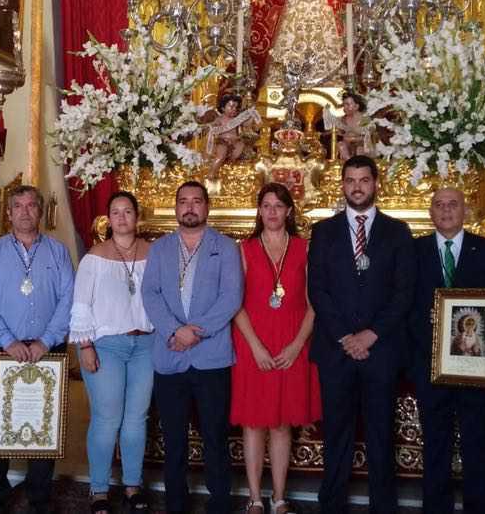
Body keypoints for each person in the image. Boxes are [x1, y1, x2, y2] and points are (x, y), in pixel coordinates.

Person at [308, 155, 415, 514]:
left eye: (364, 180)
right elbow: (318, 290)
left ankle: (384, 506)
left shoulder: (397, 232)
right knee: (336, 434)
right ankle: (331, 505)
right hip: (336, 351)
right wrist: (345, 336)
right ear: (342, 185)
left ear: (375, 184)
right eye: (351, 180)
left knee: (380, 434)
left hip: (380, 351)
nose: (357, 187)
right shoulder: (323, 231)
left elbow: (404, 292)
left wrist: (371, 334)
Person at [141, 181, 243, 514]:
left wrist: (196, 333)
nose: (189, 207)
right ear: (176, 207)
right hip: (170, 356)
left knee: (215, 436)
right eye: (183, 201)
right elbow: (150, 294)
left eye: (196, 201)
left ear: (206, 207)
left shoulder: (225, 247)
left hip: (211, 359)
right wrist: (175, 330)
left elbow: (231, 297)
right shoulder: (160, 248)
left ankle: (220, 503)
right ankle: (176, 502)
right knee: (174, 439)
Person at [0, 185, 74, 514]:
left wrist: (47, 340)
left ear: (40, 211)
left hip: (48, 352)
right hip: (3, 352)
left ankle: (39, 498)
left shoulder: (58, 252)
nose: (25, 211)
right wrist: (8, 341)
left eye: (32, 205)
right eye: (18, 205)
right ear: (9, 212)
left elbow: (68, 299)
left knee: (44, 426)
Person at [408, 187, 485, 514]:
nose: (446, 210)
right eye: (439, 205)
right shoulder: (414, 250)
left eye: (453, 204)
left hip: (475, 364)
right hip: (428, 362)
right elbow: (403, 300)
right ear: (430, 212)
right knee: (436, 441)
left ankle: (478, 507)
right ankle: (436, 507)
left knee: (478, 440)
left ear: (466, 210)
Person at [231, 183, 321, 514]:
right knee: (254, 423)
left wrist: (297, 345)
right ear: (259, 210)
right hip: (252, 342)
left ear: (289, 211)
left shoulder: (304, 248)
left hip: (292, 342)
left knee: (282, 424)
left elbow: (314, 303)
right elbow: (235, 303)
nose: (272, 211)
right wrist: (255, 347)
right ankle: (255, 498)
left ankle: (279, 497)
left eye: (278, 206)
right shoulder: (243, 249)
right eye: (266, 205)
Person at [69, 191, 155, 513]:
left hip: (146, 344)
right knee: (107, 419)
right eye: (115, 212)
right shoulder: (95, 257)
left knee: (136, 418)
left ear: (137, 216)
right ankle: (99, 489)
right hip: (106, 345)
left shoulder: (153, 253)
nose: (122, 217)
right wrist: (85, 345)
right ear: (109, 218)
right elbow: (81, 305)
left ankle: (133, 485)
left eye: (127, 211)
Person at [206, 93, 261, 183]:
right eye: (231, 107)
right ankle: (211, 173)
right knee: (221, 156)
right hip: (223, 141)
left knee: (242, 150)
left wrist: (251, 115)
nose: (234, 109)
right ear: (223, 108)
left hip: (236, 141)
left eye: (236, 107)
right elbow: (212, 126)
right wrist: (211, 127)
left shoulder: (237, 119)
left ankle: (232, 169)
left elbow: (247, 124)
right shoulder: (220, 119)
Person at [323, 92, 376, 160]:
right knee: (341, 145)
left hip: (363, 146)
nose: (344, 107)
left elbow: (369, 133)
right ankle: (349, 162)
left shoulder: (365, 119)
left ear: (356, 106)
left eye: (348, 104)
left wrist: (355, 138)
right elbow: (333, 125)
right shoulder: (342, 119)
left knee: (359, 149)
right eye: (344, 105)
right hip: (347, 146)